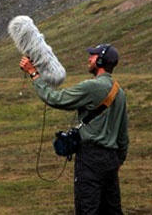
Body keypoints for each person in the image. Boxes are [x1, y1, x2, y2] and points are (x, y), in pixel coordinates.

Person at [19, 43, 129, 215]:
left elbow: (55, 99)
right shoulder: (120, 92)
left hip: (91, 159)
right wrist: (118, 161)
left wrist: (34, 74)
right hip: (111, 160)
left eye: (92, 56)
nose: (89, 59)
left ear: (100, 61)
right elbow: (123, 136)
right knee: (112, 209)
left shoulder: (93, 86)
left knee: (88, 208)